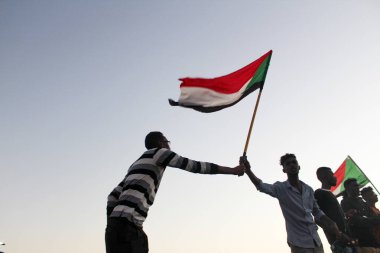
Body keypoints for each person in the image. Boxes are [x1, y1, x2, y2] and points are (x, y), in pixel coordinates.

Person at [105, 131, 245, 253]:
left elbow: (112, 196)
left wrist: (112, 223)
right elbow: (195, 166)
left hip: (114, 228)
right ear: (161, 142)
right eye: (167, 141)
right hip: (130, 227)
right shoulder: (160, 153)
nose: (169, 145)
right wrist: (232, 171)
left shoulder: (135, 164)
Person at [242, 154, 349, 253]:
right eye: (288, 164)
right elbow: (261, 185)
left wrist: (336, 230)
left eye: (294, 162)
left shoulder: (309, 190)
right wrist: (248, 171)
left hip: (316, 242)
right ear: (284, 170)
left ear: (299, 167)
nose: (292, 165)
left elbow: (318, 213)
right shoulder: (281, 188)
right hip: (298, 243)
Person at [315, 167, 356, 252]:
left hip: (347, 241)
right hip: (339, 243)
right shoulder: (320, 193)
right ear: (324, 176)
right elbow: (318, 218)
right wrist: (338, 234)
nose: (335, 177)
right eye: (332, 175)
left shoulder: (330, 194)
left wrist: (345, 215)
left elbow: (332, 215)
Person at [341, 179, 380, 252]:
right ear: (347, 188)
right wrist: (368, 219)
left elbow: (376, 219)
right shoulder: (345, 202)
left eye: (358, 185)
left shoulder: (362, 202)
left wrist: (365, 219)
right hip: (362, 244)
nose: (358, 187)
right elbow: (357, 221)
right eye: (355, 186)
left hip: (375, 242)